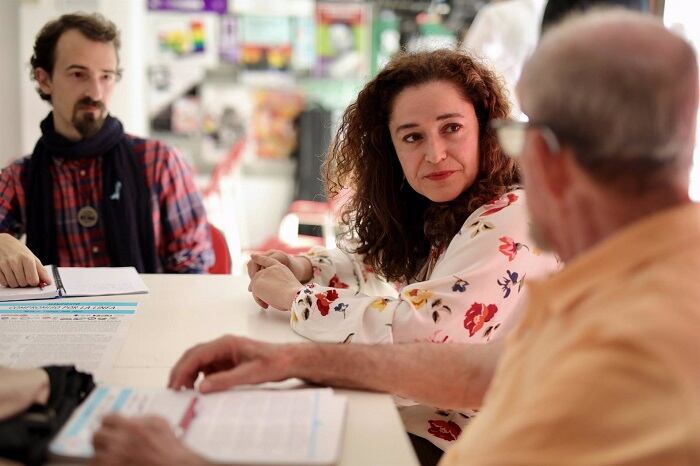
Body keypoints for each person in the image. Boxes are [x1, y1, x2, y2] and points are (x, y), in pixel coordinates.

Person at [92, 9, 700, 466]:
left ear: (548, 156)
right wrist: (291, 356)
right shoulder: (638, 271)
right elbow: (484, 370)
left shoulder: (634, 346)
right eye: (411, 137)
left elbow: (440, 338)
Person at [246, 49, 558, 455]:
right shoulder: (449, 204)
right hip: (441, 418)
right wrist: (305, 266)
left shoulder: (515, 214)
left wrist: (295, 298)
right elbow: (377, 262)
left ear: (485, 128)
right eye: (412, 137)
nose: (435, 153)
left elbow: (424, 335)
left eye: (452, 128)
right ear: (389, 149)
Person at [0, 12, 213, 287]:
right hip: (61, 324)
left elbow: (193, 272)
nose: (96, 92)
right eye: (78, 74)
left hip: (150, 320)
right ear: (44, 80)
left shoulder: (159, 162)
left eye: (106, 76)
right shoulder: (21, 177)